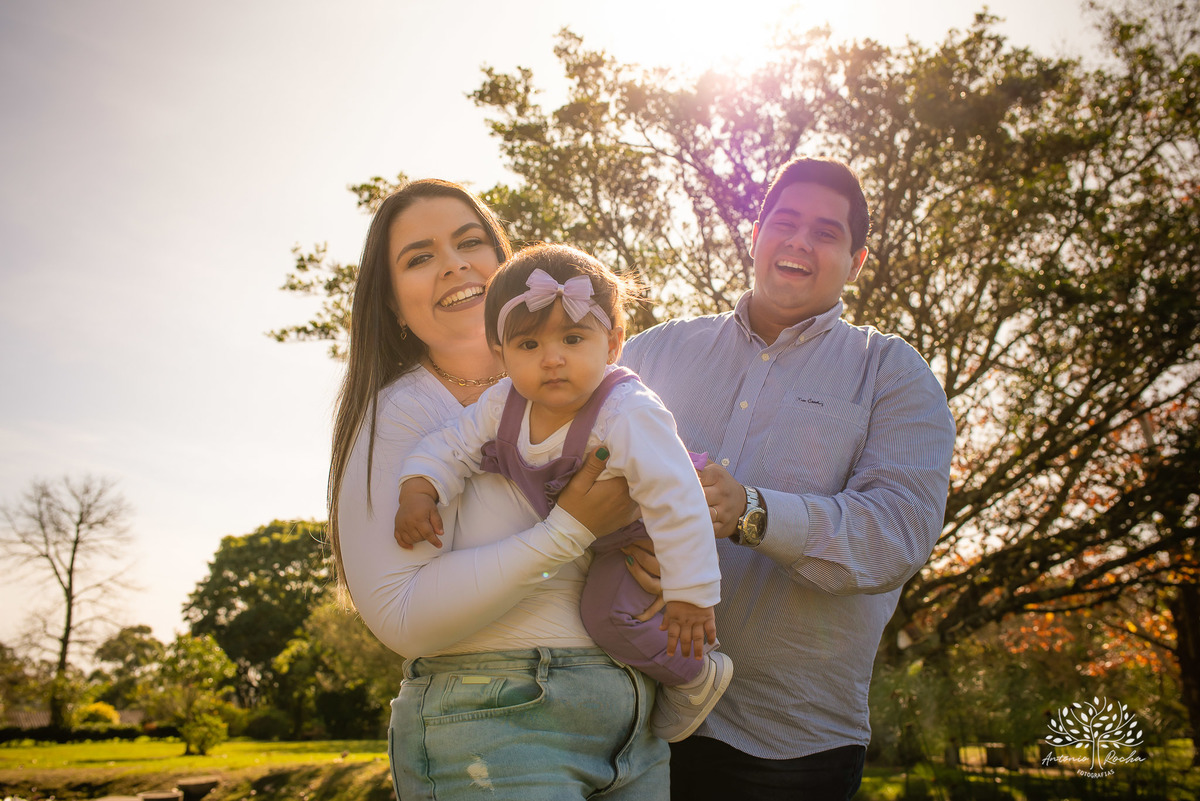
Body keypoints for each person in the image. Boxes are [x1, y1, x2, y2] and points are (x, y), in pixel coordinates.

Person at [620, 157, 957, 800]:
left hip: (785, 744)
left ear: (856, 262)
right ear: (757, 236)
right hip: (630, 718)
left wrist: (751, 512)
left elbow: (897, 534)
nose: (801, 241)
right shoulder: (653, 353)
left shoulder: (890, 372)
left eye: (827, 233)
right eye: (787, 222)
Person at [327, 179, 670, 800]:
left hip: (635, 725)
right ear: (392, 306)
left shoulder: (594, 386)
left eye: (469, 242)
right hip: (490, 725)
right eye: (420, 256)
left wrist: (673, 544)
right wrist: (570, 531)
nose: (454, 264)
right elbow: (404, 617)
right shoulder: (401, 415)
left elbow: (646, 506)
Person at [394, 242, 734, 742]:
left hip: (652, 534)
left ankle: (696, 675)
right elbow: (449, 444)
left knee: (607, 616)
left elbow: (675, 499)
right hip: (599, 532)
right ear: (500, 353)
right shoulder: (501, 405)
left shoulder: (627, 411)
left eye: (574, 339)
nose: (552, 359)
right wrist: (419, 490)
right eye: (529, 346)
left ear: (614, 344)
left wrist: (690, 593)